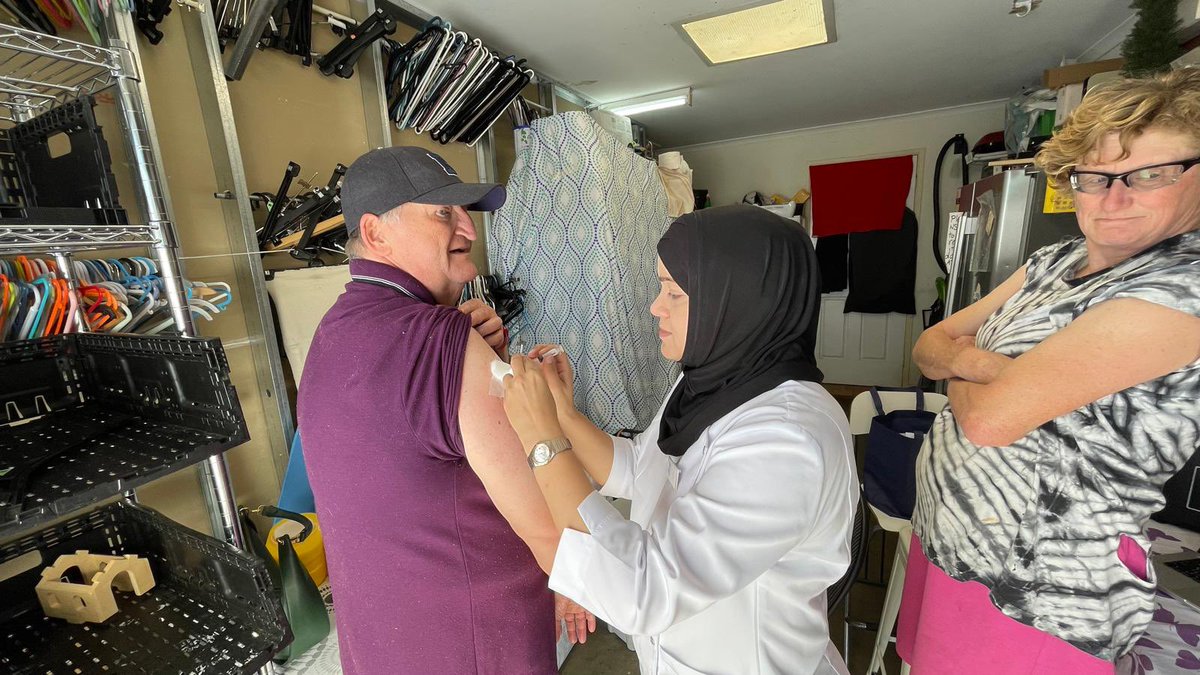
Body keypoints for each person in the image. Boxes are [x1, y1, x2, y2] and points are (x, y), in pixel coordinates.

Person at [900, 67, 1200, 673]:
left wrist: (977, 376)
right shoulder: (1052, 262)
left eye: (1150, 174)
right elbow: (930, 344)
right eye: (1095, 177)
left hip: (1041, 588)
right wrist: (990, 365)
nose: (1115, 198)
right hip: (951, 539)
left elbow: (988, 421)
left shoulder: (1183, 287)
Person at [502, 204, 858, 674]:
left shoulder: (787, 441)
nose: (655, 306)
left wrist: (542, 440)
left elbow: (642, 590)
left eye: (674, 292)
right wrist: (563, 414)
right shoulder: (712, 381)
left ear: (735, 299)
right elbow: (637, 470)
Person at [297, 146, 590, 675]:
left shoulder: (332, 330)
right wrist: (582, 588)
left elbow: (405, 455)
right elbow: (546, 524)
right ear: (377, 232)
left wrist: (475, 354)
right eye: (443, 214)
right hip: (475, 638)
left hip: (384, 637)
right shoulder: (442, 340)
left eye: (464, 212)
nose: (469, 230)